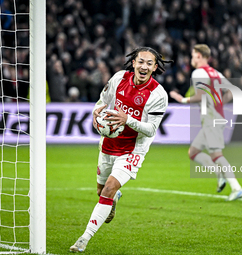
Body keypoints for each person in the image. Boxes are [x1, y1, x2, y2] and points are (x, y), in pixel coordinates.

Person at [70, 47, 172, 252]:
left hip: (133, 150)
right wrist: (96, 113)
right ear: (133, 62)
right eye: (140, 61)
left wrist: (128, 119)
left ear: (155, 67)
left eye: (149, 63)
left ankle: (84, 239)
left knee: (107, 188)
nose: (144, 66)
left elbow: (151, 130)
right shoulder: (118, 79)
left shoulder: (158, 94)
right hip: (108, 144)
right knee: (101, 191)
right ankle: (114, 197)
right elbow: (102, 102)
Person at [170, 44, 242, 201]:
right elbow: (231, 91)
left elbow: (200, 96)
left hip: (212, 119)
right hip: (214, 116)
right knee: (194, 153)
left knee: (217, 155)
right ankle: (219, 175)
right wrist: (219, 104)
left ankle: (237, 188)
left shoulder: (198, 73)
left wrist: (182, 99)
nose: (191, 59)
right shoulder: (215, 73)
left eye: (192, 55)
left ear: (199, 56)